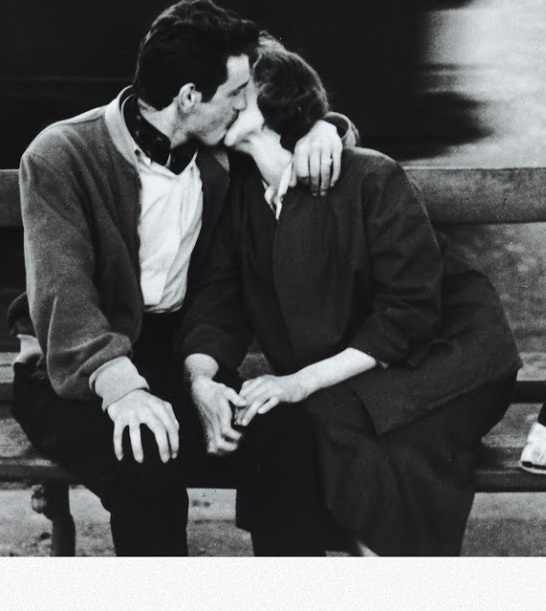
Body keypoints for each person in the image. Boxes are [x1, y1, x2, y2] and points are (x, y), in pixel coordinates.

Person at [7, 0, 354, 556]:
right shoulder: (61, 154)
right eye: (237, 95)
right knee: (146, 465)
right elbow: (63, 297)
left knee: (286, 437)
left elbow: (297, 118)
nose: (249, 108)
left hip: (176, 357)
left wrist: (325, 132)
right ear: (190, 98)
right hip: (72, 373)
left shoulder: (217, 154)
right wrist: (123, 391)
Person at [179, 38, 521, 555]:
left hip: (446, 358)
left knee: (364, 443)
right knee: (275, 424)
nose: (223, 102)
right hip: (355, 368)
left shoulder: (370, 176)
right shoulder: (241, 191)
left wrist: (298, 382)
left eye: (239, 93)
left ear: (274, 106)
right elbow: (219, 302)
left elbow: (409, 313)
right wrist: (201, 378)